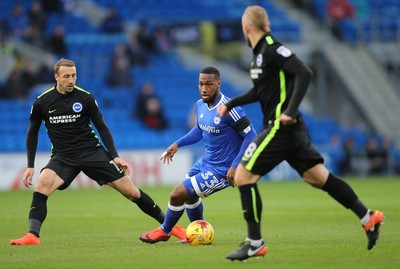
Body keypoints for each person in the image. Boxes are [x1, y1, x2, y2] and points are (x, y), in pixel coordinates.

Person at [217, 5, 384, 261]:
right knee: (318, 178)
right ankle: (368, 217)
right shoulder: (259, 54)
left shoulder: (273, 48)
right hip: (290, 130)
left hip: (281, 127)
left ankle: (254, 243)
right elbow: (260, 92)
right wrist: (231, 103)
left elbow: (304, 72)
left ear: (246, 27)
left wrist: (291, 111)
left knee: (243, 176)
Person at [10, 58, 186, 245]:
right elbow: (32, 133)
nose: (71, 80)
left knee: (132, 192)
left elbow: (102, 127)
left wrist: (115, 156)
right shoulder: (42, 102)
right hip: (64, 156)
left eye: (74, 76)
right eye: (66, 76)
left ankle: (172, 228)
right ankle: (32, 235)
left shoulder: (85, 98)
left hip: (91, 152)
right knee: (42, 184)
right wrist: (30, 166)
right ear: (56, 77)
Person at [139, 66, 257, 243]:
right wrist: (178, 143)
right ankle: (198, 235)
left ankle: (165, 231)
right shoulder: (200, 105)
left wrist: (235, 166)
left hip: (222, 170)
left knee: (177, 193)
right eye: (201, 84)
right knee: (189, 195)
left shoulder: (230, 109)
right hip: (206, 162)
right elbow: (200, 129)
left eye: (208, 84)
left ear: (218, 84)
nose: (204, 88)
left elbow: (251, 135)